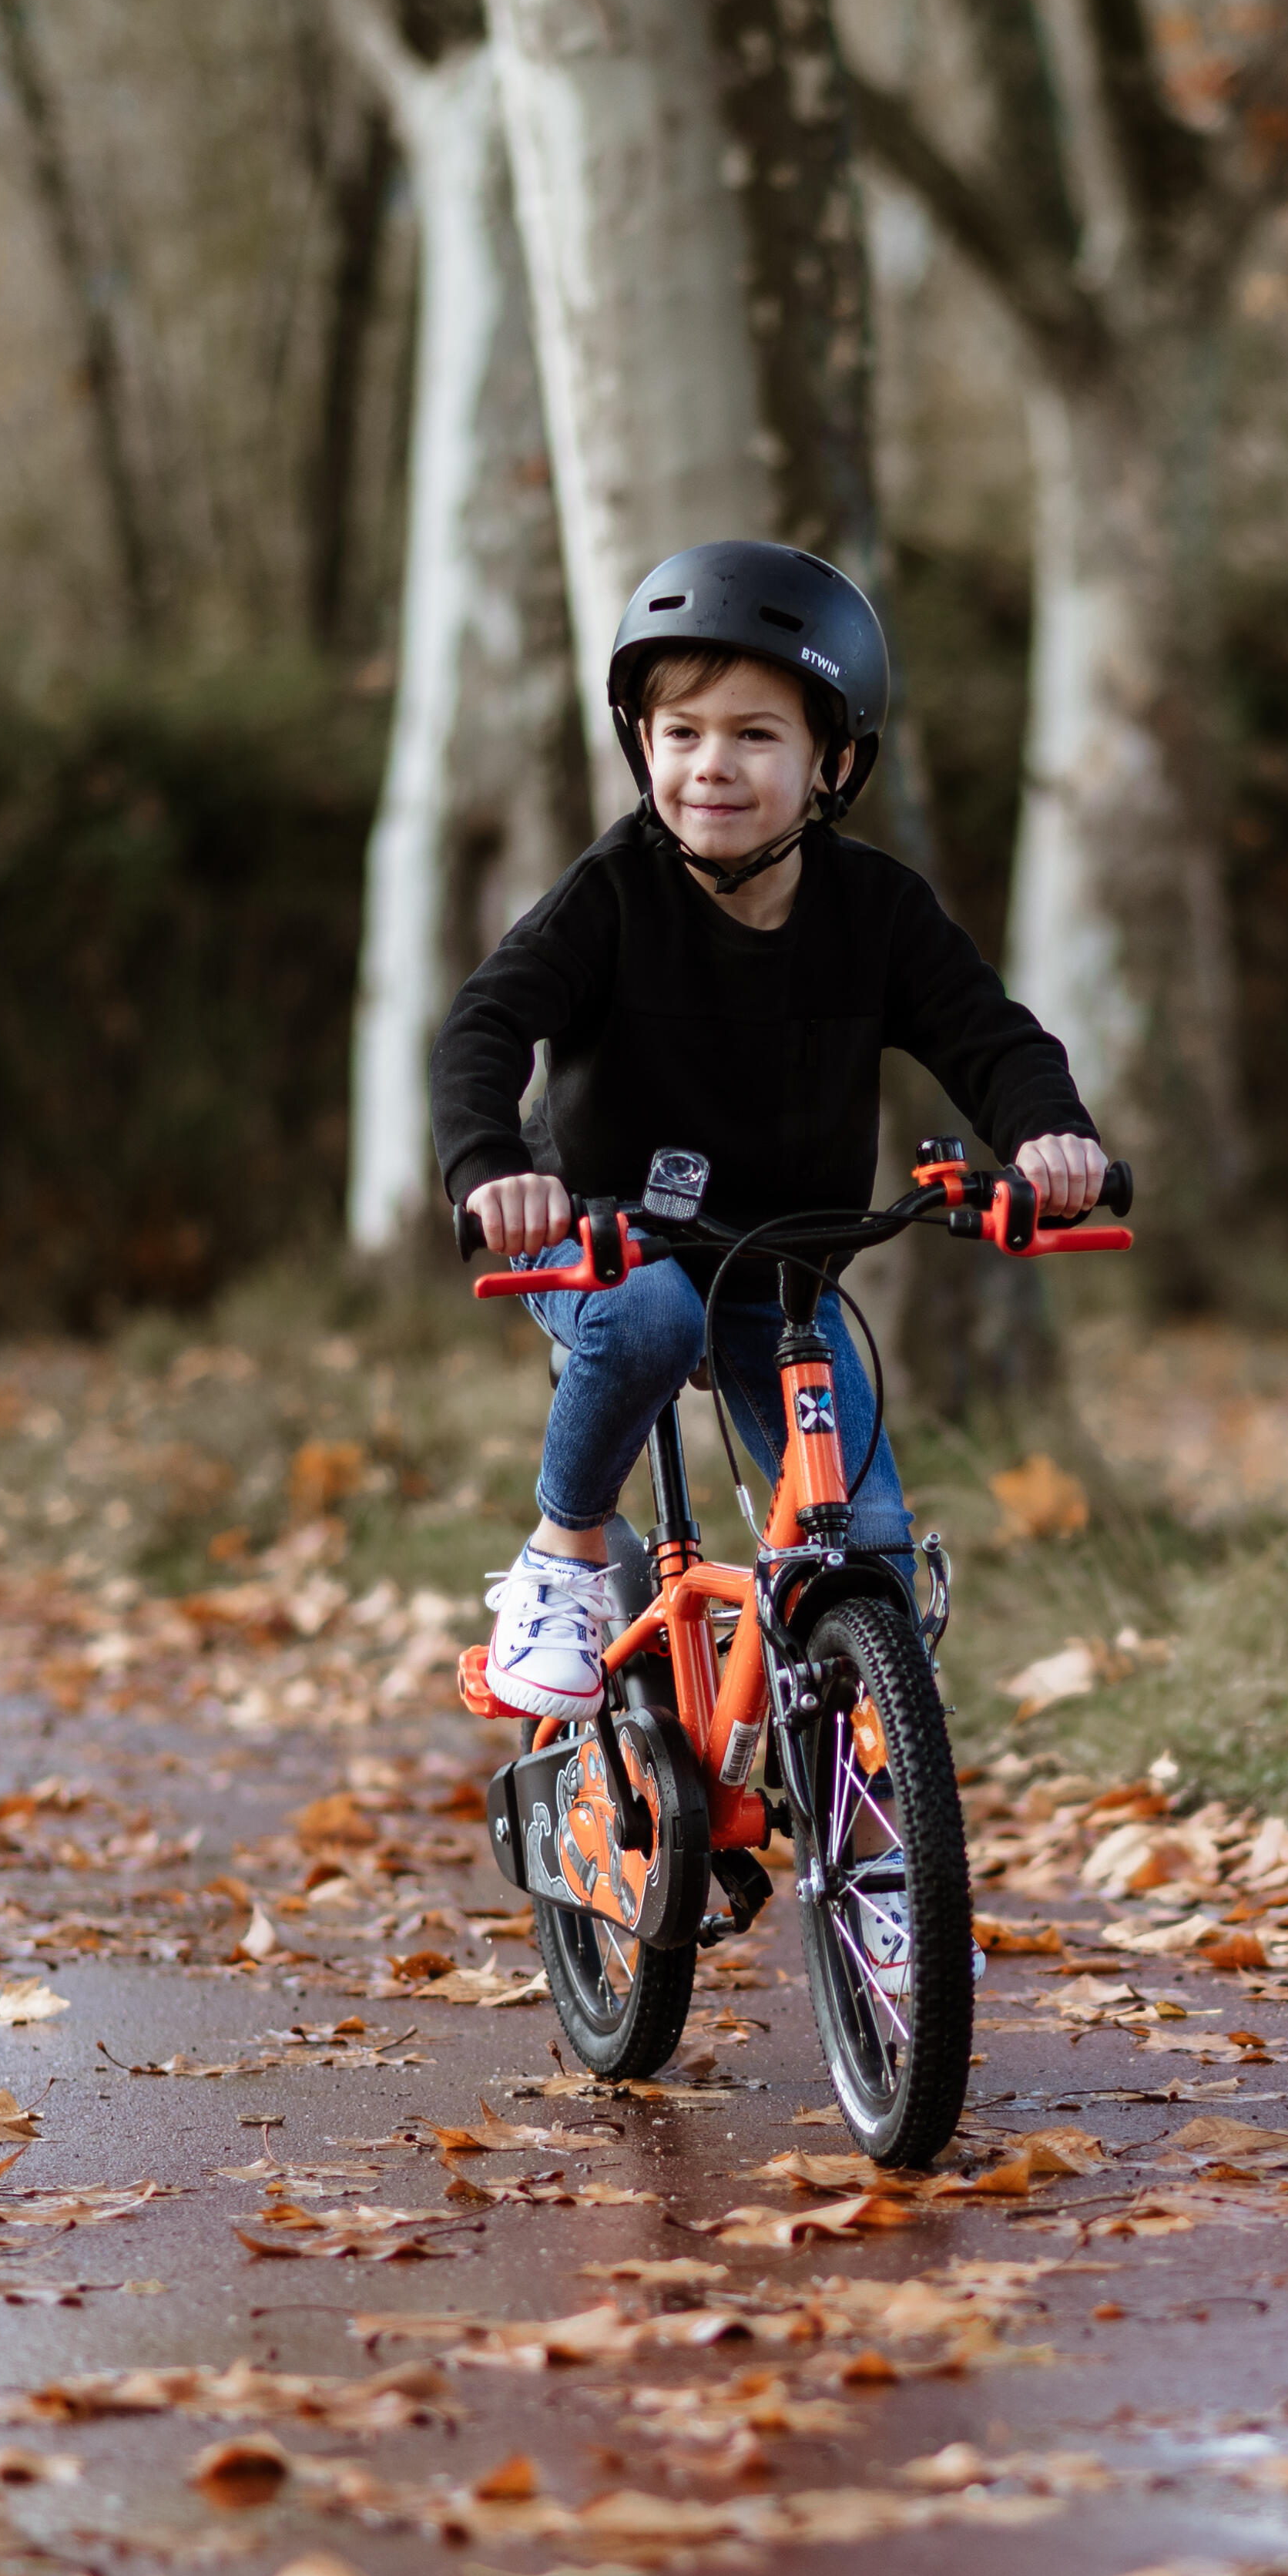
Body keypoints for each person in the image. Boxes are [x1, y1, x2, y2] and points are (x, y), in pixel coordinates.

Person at [434, 542, 1109, 1718]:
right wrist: (493, 1167)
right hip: (596, 1235)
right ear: (641, 746)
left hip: (778, 1264)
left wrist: (1049, 1136)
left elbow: (992, 1041)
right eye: (680, 733)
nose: (711, 766)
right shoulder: (612, 895)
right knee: (645, 1316)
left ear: (831, 762)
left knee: (875, 1550)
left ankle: (875, 1839)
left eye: (756, 735)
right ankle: (563, 1559)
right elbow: (485, 1026)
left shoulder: (877, 915)